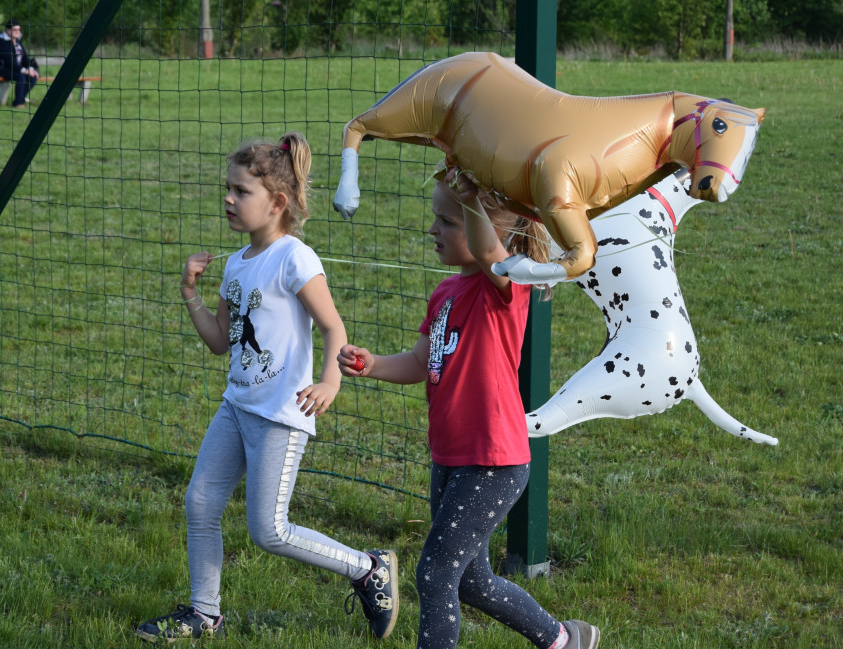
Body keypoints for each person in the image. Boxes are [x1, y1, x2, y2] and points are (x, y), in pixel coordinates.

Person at [136, 132, 399, 643]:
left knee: (269, 531)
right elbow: (220, 342)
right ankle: (203, 612)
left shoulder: (294, 258)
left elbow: (332, 327)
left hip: (281, 414)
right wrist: (189, 293)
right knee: (200, 504)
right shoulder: (235, 265)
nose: (229, 200)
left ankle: (368, 569)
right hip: (236, 407)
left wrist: (329, 380)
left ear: (277, 202)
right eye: (227, 189)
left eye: (240, 191)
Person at [337, 167, 601, 649]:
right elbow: (421, 361)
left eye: (448, 221)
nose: (433, 229)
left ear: (492, 233)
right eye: (435, 218)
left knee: (435, 573)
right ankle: (565, 639)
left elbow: (487, 254)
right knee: (471, 581)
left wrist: (473, 201)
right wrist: (372, 364)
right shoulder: (445, 293)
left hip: (493, 461)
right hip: (451, 458)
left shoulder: (505, 287)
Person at [0, 19, 39, 108]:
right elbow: (8, 60)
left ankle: (20, 99)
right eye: (15, 30)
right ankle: (18, 103)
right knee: (21, 76)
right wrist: (24, 70)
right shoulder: (0, 41)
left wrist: (30, 69)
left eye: (19, 30)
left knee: (33, 76)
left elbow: (24, 57)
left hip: (15, 69)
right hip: (2, 69)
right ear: (7, 30)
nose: (17, 32)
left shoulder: (17, 41)